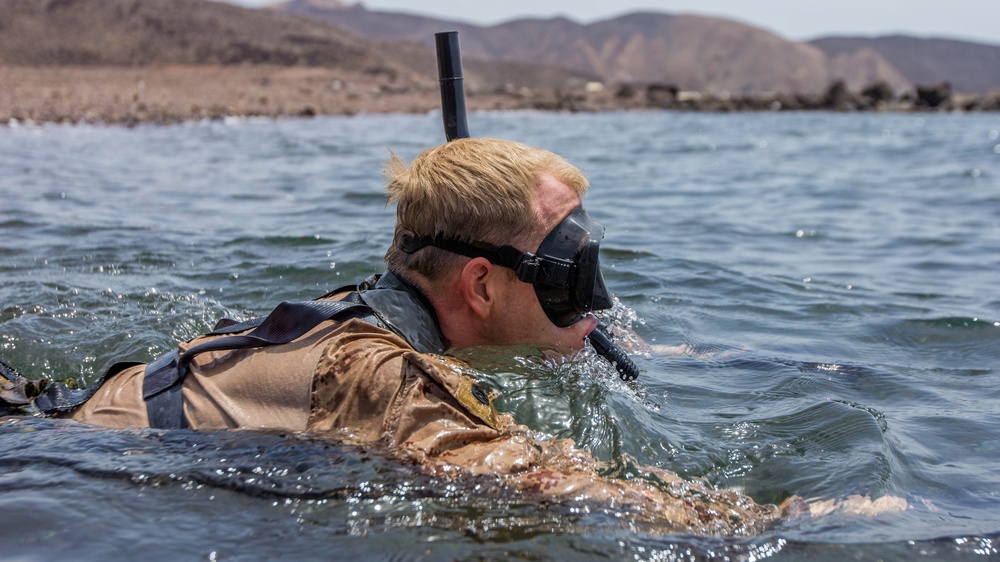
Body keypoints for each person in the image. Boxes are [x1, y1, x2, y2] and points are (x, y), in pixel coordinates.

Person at [0, 137, 904, 534]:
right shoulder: (384, 376)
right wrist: (783, 523)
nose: (595, 308)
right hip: (49, 471)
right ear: (479, 284)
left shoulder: (369, 311)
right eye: (570, 275)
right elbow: (544, 484)